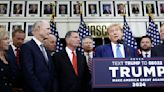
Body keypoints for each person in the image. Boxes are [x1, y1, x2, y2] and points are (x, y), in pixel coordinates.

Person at [20, 20, 58, 92]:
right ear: (38, 29)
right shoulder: (27, 47)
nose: (50, 32)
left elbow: (51, 72)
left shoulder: (45, 49)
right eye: (48, 29)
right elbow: (28, 74)